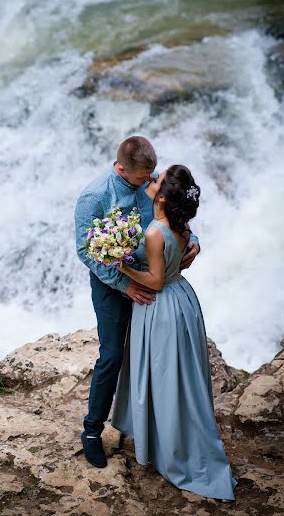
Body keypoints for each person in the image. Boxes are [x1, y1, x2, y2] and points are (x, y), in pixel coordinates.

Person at [111, 165, 238, 501]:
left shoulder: (155, 232)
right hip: (183, 299)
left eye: (158, 179)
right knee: (182, 377)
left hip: (160, 306)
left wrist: (119, 261)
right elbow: (177, 251)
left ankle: (170, 446)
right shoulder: (179, 223)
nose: (152, 180)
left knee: (165, 377)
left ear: (164, 197)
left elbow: (152, 280)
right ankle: (177, 434)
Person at [74, 138, 200, 468]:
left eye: (151, 176)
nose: (149, 181)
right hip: (113, 286)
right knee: (113, 354)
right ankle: (91, 430)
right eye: (141, 177)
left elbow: (175, 216)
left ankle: (148, 427)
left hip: (153, 283)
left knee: (150, 354)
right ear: (120, 169)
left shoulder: (152, 181)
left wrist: (193, 242)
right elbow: (86, 252)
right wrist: (124, 283)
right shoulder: (94, 196)